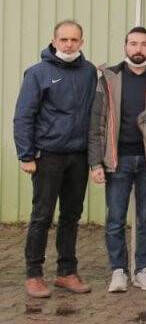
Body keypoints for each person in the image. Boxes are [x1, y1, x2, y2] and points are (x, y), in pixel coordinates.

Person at [87, 26, 146, 293]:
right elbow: (96, 122)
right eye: (133, 43)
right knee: (115, 218)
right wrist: (95, 163)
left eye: (144, 44)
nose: (138, 49)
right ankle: (118, 271)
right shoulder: (108, 79)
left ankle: (143, 270)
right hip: (117, 160)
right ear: (125, 46)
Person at [15, 20, 98, 298]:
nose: (68, 44)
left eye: (74, 40)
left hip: (78, 155)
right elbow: (24, 115)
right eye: (63, 39)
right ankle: (34, 274)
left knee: (71, 216)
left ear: (82, 42)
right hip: (48, 155)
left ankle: (66, 272)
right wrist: (26, 155)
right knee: (42, 216)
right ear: (54, 40)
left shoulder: (89, 72)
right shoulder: (38, 73)